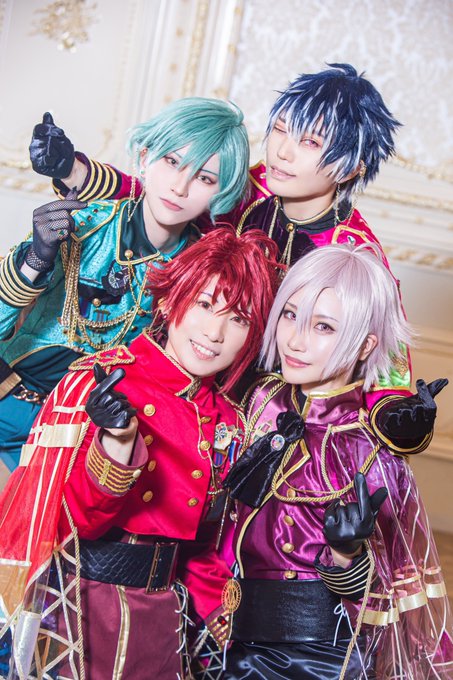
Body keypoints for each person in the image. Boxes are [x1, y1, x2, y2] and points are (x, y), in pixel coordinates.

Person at [29, 64, 442, 457]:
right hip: (178, 372)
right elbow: (162, 195)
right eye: (280, 129)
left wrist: (397, 416)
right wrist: (73, 170)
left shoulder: (355, 252)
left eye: (310, 143)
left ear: (352, 167)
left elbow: (386, 360)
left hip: (263, 418)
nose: (282, 151)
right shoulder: (251, 186)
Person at [0, 228, 281, 680]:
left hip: (165, 625)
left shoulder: (228, 419)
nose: (214, 333)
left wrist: (224, 614)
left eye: (239, 319)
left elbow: (202, 547)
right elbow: (64, 525)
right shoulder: (98, 382)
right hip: (78, 618)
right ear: (169, 301)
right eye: (204, 304)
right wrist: (117, 444)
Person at [222, 244, 452, 679]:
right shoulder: (260, 400)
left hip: (316, 659)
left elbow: (380, 597)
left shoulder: (369, 450)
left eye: (323, 326)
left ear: (365, 345)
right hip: (222, 635)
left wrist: (346, 555)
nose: (295, 340)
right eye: (290, 315)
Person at [0, 97, 249, 478]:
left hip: (77, 441)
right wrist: (34, 260)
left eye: (204, 178)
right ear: (145, 158)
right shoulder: (86, 224)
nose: (180, 187)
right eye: (172, 162)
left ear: (221, 192)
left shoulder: (201, 273)